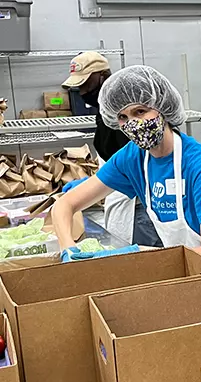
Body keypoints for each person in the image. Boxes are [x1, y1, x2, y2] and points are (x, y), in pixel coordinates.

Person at [52, 65, 201, 272]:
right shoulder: (132, 158)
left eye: (140, 111)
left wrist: (140, 254)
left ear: (162, 108)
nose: (133, 124)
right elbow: (65, 205)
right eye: (123, 117)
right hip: (189, 269)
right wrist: (68, 249)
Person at [61, 52, 162, 247]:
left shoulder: (130, 120)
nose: (81, 92)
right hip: (121, 202)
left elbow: (140, 166)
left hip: (140, 207)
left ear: (102, 77)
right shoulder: (105, 115)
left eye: (85, 85)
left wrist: (101, 184)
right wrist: (96, 181)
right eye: (78, 87)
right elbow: (116, 161)